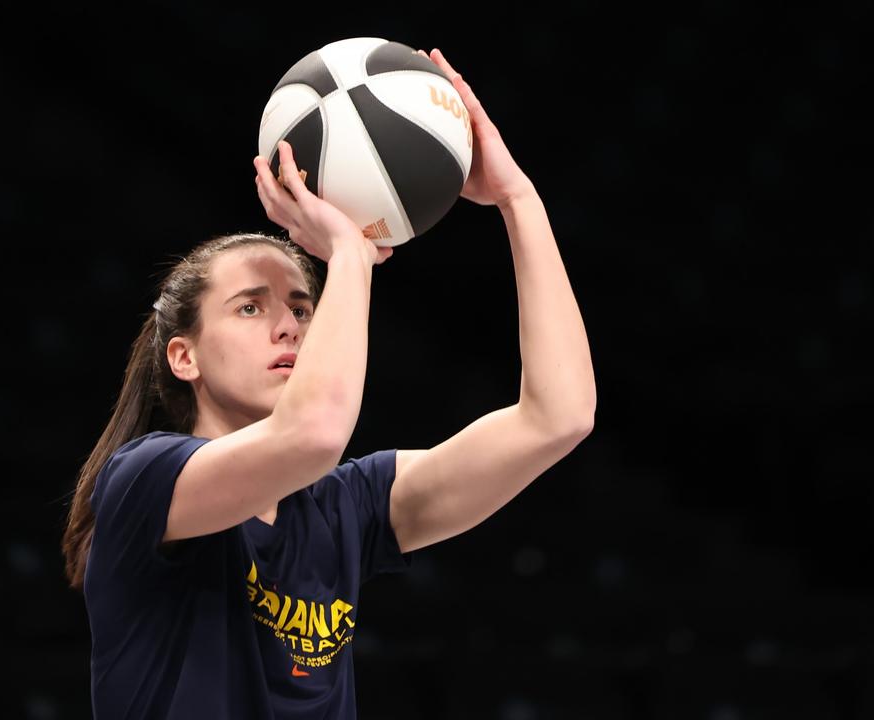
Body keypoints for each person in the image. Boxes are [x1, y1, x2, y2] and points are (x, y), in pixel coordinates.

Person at [61, 47, 597, 719]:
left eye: (301, 307)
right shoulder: (143, 479)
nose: (287, 326)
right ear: (183, 357)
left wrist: (518, 199)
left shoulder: (348, 508)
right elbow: (313, 435)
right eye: (250, 306)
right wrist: (351, 254)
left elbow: (559, 416)